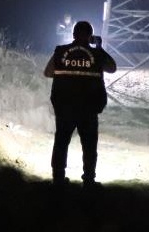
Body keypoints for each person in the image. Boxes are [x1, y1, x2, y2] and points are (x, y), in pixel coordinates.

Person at [43, 21, 117, 189]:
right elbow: (112, 68)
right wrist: (98, 48)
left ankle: (58, 179)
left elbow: (47, 72)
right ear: (90, 36)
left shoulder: (61, 52)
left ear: (73, 34)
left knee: (61, 142)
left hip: (64, 107)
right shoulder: (96, 54)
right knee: (89, 145)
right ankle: (89, 181)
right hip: (88, 108)